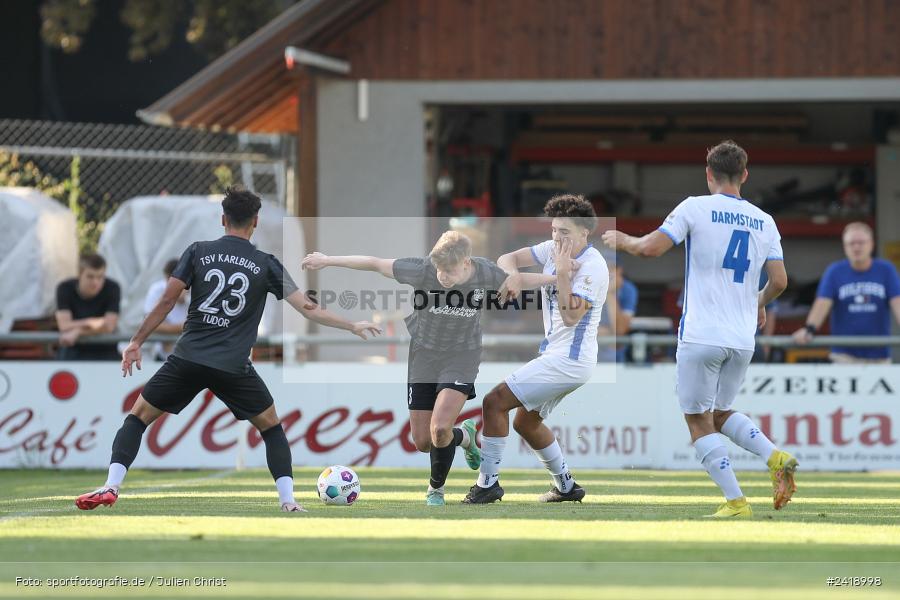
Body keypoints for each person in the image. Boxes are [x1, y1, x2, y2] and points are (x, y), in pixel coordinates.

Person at [75, 187, 381, 513]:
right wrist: (352, 325)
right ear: (256, 223)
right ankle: (288, 502)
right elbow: (307, 308)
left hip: (188, 357)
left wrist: (137, 341)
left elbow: (167, 300)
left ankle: (111, 485)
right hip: (233, 366)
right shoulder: (265, 263)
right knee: (271, 427)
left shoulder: (198, 252)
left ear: (223, 219)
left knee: (138, 418)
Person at [602, 140, 797, 518]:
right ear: (745, 175)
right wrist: (756, 303)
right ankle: (775, 456)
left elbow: (649, 249)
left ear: (709, 174)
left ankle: (736, 502)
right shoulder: (765, 221)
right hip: (742, 338)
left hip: (702, 334)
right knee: (721, 413)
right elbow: (779, 281)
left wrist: (621, 240)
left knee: (697, 418)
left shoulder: (695, 207)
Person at [302, 232, 553, 506]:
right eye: (439, 270)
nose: (442, 276)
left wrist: (558, 279)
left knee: (440, 428)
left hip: (462, 356)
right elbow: (374, 262)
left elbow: (521, 279)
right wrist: (327, 260)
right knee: (423, 441)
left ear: (466, 262)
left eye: (449, 270)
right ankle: (465, 436)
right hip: (423, 356)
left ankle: (436, 490)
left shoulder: (486, 272)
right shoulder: (422, 269)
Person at [463, 194, 608, 505]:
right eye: (554, 230)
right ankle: (567, 487)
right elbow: (506, 259)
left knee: (494, 402)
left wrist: (563, 274)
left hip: (569, 359)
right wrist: (515, 275)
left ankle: (487, 485)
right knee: (525, 422)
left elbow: (571, 316)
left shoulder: (594, 267)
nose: (557, 237)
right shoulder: (553, 250)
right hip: (558, 356)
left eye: (564, 232)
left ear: (585, 233)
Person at [792, 222, 900, 363]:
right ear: (845, 246)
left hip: (879, 356)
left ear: (871, 244)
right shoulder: (835, 271)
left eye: (861, 242)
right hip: (844, 356)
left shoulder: (886, 270)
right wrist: (809, 328)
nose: (856, 247)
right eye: (851, 243)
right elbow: (822, 303)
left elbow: (897, 302)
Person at [55, 254, 121, 360]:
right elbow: (64, 325)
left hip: (106, 351)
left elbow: (109, 326)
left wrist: (78, 331)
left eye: (100, 277)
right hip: (73, 351)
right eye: (90, 276)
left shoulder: (113, 288)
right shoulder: (64, 288)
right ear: (79, 274)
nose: (95, 282)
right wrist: (94, 323)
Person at [143, 258, 189, 360]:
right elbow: (149, 323)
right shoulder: (156, 290)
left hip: (189, 355)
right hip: (164, 355)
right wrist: (183, 327)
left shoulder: (196, 290)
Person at [597, 263, 638, 363]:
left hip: (612, 352)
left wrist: (610, 293)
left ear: (619, 271)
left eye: (611, 269)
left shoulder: (627, 289)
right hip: (586, 349)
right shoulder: (586, 283)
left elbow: (619, 331)